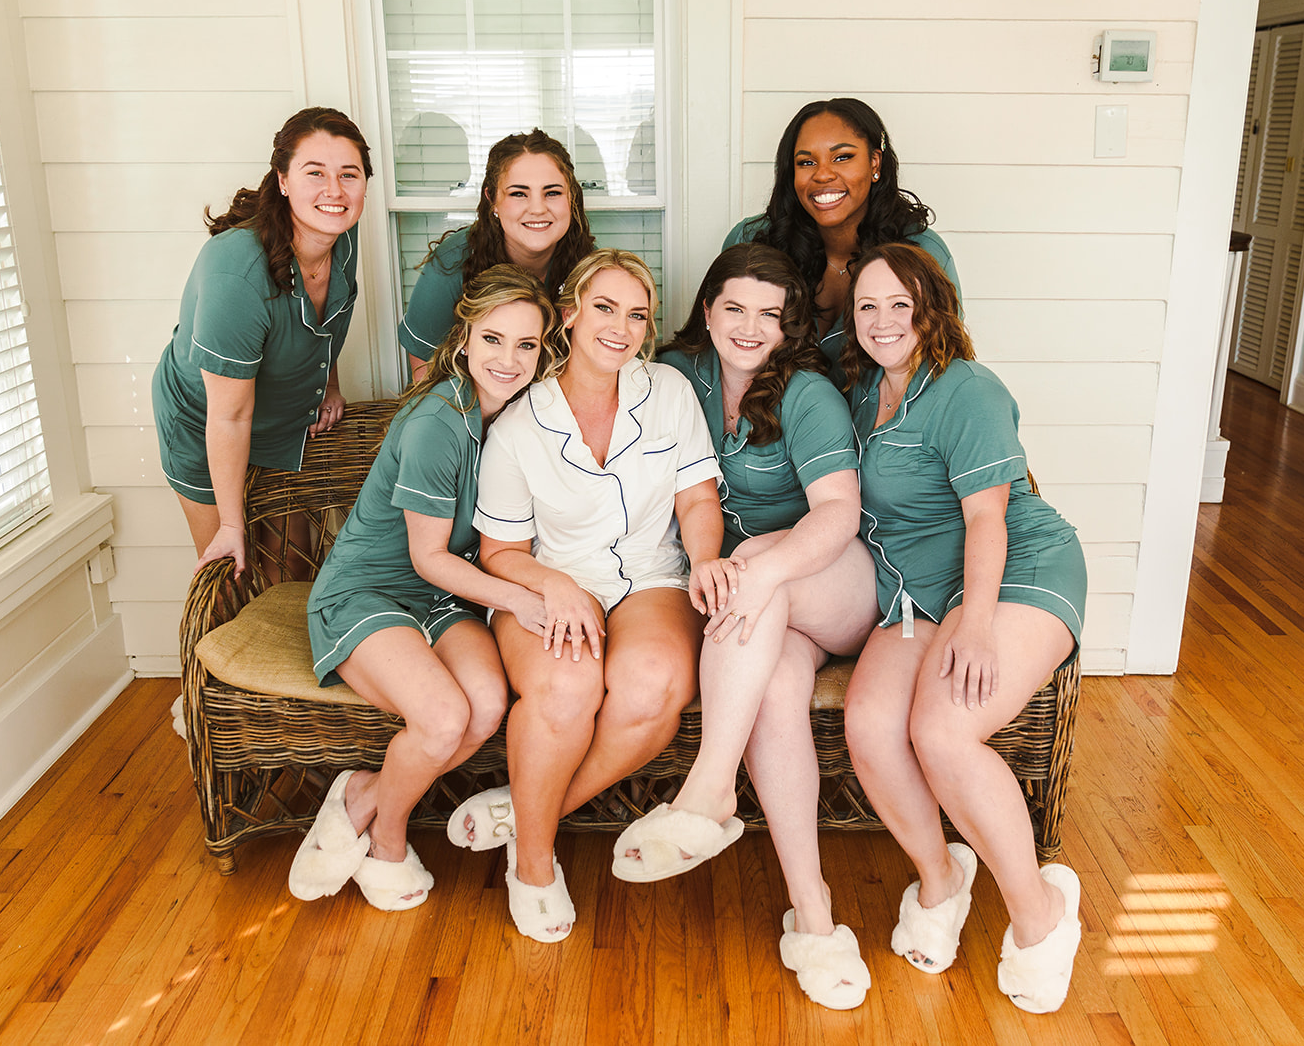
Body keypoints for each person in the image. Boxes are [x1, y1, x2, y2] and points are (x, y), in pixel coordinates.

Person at [609, 243, 879, 1010]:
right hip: (755, 615)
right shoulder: (674, 377)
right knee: (777, 689)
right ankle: (815, 915)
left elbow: (838, 512)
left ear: (789, 324)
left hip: (830, 581)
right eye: (734, 307)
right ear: (707, 310)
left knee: (753, 556)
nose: (750, 327)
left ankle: (708, 788)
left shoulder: (806, 392)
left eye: (770, 313)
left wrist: (761, 568)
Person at [838, 242, 1087, 1013]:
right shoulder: (864, 392)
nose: (883, 320)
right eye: (867, 305)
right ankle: (941, 878)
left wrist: (976, 623)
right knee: (869, 723)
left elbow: (987, 518)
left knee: (942, 730)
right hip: (920, 593)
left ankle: (1040, 913)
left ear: (932, 311)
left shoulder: (968, 389)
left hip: (1014, 571)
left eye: (900, 305)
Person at [452, 249, 725, 944]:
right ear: (570, 314)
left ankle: (529, 818)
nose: (620, 327)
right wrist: (557, 586)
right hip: (547, 576)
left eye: (636, 315)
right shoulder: (519, 425)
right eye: (604, 307)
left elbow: (697, 499)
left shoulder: (669, 392)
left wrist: (705, 560)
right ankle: (534, 868)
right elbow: (500, 552)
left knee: (652, 685)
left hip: (651, 573)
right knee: (565, 686)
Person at [291, 265, 559, 912]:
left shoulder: (523, 416)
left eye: (526, 344)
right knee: (442, 721)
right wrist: (522, 599)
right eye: (493, 339)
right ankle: (387, 838)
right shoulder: (437, 421)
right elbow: (428, 556)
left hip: (443, 598)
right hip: (369, 590)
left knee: (486, 706)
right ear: (464, 339)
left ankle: (362, 793)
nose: (509, 359)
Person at [152, 106, 369, 576]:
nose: (335, 190)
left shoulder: (341, 238)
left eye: (348, 174)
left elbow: (327, 323)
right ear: (283, 180)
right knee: (233, 570)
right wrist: (232, 525)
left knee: (291, 566)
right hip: (206, 423)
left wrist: (329, 385)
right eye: (315, 172)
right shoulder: (236, 272)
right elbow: (229, 415)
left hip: (280, 419)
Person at [723, 97, 960, 365]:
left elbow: (942, 362)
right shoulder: (751, 242)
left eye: (842, 157)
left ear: (875, 163)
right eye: (806, 162)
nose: (823, 175)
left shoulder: (923, 252)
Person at [399, 130, 596, 380]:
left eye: (552, 193)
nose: (537, 209)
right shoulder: (451, 263)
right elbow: (425, 373)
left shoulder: (591, 267)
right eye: (518, 193)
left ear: (572, 197)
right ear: (492, 199)